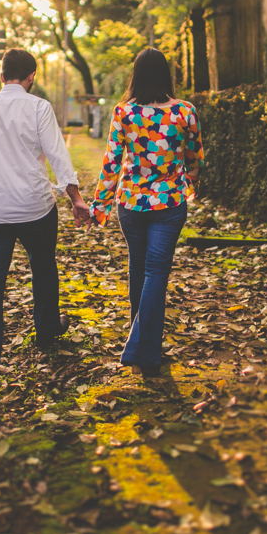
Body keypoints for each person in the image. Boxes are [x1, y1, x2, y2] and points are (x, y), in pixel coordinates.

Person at [0, 48, 92, 393]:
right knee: (44, 268)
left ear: (1, 75)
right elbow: (57, 155)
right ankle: (47, 331)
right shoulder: (39, 107)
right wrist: (75, 198)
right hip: (35, 207)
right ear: (32, 76)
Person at [88, 47, 204, 377]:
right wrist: (191, 183)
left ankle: (139, 342)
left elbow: (111, 163)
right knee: (156, 271)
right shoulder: (185, 111)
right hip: (169, 203)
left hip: (131, 204)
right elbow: (194, 157)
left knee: (140, 267)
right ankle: (144, 351)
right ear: (166, 75)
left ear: (136, 75)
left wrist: (100, 205)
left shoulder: (124, 112)